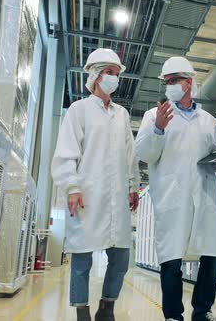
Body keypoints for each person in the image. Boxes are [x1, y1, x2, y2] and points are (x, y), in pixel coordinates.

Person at [135, 57, 216, 321]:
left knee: (211, 256)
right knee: (171, 260)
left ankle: (202, 311)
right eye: (167, 82)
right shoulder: (154, 115)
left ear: (189, 82)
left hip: (204, 197)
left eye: (174, 81)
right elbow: (144, 153)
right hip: (173, 197)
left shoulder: (207, 120)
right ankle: (173, 315)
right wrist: (159, 128)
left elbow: (212, 156)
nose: (170, 86)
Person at [51, 48, 140, 321]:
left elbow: (130, 154)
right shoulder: (79, 110)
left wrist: (133, 185)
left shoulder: (122, 114)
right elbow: (66, 152)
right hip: (87, 194)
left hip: (117, 196)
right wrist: (72, 187)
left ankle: (106, 307)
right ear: (95, 75)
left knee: (121, 257)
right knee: (82, 258)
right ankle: (82, 312)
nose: (114, 78)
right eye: (109, 73)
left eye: (116, 73)